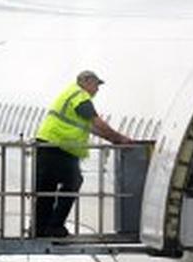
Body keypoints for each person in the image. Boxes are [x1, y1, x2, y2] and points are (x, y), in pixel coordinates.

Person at [34, 70, 130, 237]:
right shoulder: (80, 96)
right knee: (72, 181)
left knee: (47, 188)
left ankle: (41, 229)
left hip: (50, 143)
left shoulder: (71, 94)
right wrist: (120, 138)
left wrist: (113, 139)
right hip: (58, 145)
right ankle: (54, 226)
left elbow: (91, 128)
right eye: (96, 84)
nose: (97, 89)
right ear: (85, 81)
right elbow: (97, 123)